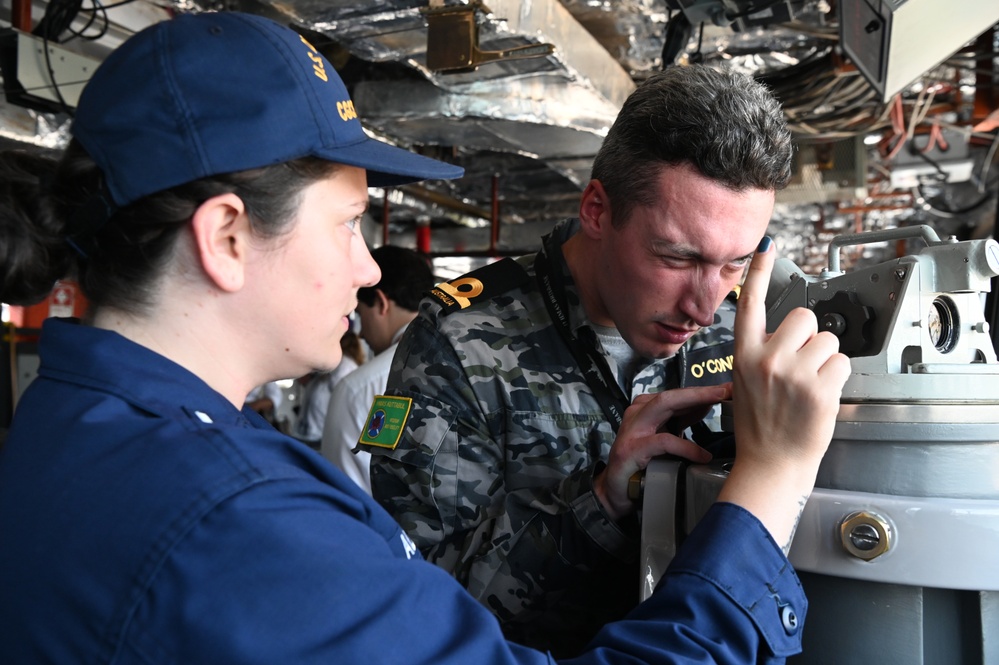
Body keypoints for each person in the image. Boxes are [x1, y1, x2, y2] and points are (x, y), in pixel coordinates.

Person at [0, 11, 849, 663]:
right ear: (226, 237)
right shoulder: (238, 519)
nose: (371, 272)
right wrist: (772, 479)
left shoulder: (83, 431)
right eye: (346, 225)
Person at [365, 65, 818, 656]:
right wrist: (600, 500)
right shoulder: (461, 343)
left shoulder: (742, 334)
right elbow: (425, 608)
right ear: (598, 211)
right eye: (677, 257)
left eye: (735, 263)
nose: (705, 309)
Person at [321, 244, 434, 493]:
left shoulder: (357, 390)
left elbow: (345, 498)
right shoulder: (474, 364)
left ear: (382, 303)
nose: (360, 332)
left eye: (361, 314)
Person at [293, 331, 366, 448]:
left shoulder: (344, 365)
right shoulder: (332, 364)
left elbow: (343, 402)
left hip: (318, 438)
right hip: (309, 434)